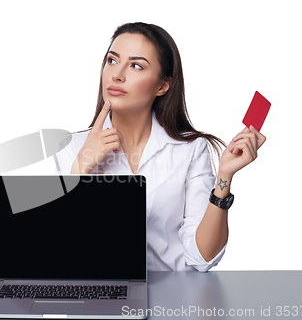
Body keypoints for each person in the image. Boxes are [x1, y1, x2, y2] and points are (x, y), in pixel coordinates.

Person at [54, 22, 266, 272]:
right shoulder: (71, 147)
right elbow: (63, 253)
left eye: (136, 65)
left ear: (162, 86)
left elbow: (201, 258)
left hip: (174, 299)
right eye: (112, 60)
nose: (117, 74)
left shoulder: (190, 149)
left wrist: (224, 178)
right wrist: (81, 169)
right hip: (103, 297)